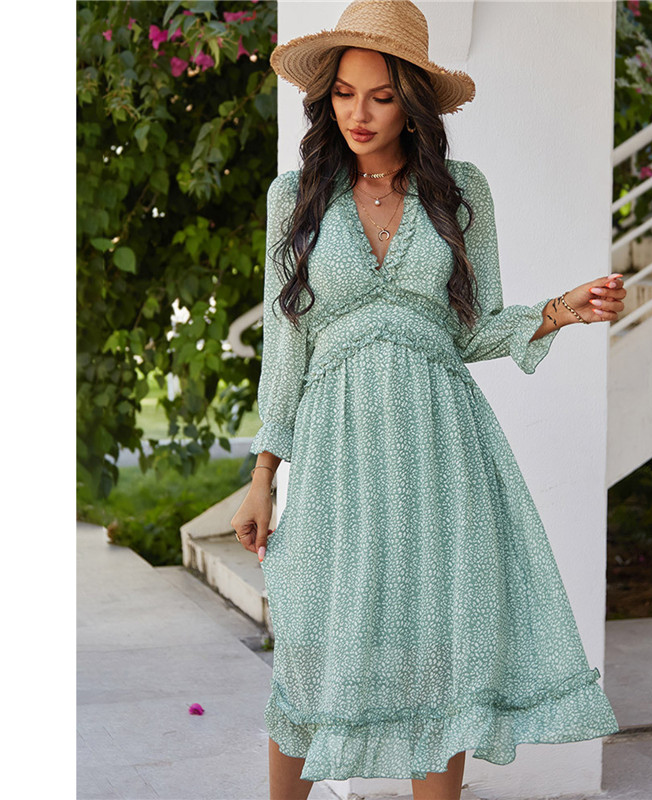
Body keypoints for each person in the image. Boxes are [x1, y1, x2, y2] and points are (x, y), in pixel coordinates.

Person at [230, 2, 625, 798]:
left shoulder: (461, 192)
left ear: (411, 104)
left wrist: (560, 311)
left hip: (442, 452)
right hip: (338, 453)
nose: (359, 114)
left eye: (380, 96)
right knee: (312, 649)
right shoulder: (294, 198)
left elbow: (471, 331)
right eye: (345, 94)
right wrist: (264, 474)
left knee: (438, 655)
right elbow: (286, 346)